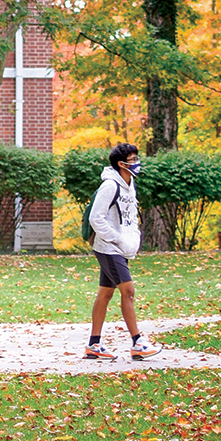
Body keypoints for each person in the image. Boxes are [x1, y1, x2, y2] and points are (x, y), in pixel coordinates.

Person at [83, 143, 161, 361]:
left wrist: (131, 239)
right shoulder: (110, 185)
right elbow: (95, 218)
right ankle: (137, 342)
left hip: (121, 248)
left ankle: (94, 345)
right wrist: (116, 239)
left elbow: (129, 216)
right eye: (133, 159)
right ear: (121, 163)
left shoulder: (130, 184)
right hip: (109, 247)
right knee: (128, 291)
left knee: (105, 293)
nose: (137, 163)